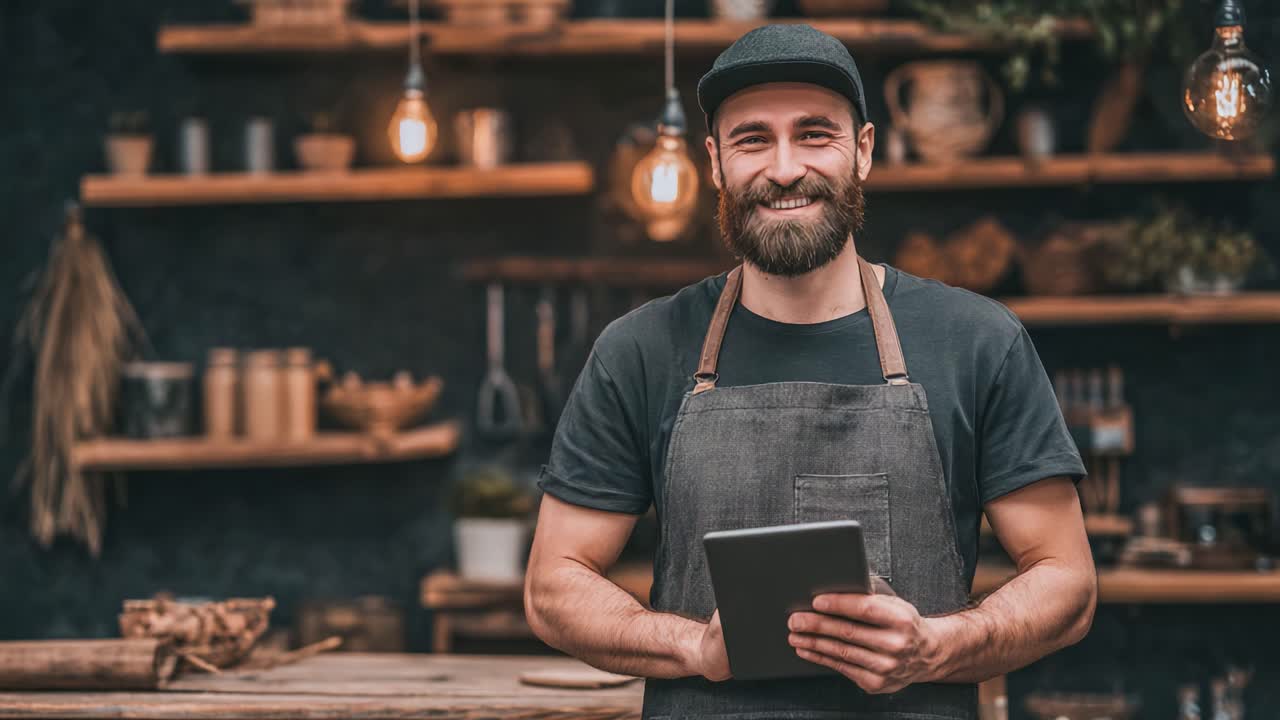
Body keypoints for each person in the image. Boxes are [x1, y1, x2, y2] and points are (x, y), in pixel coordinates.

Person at [523, 23, 1097, 720]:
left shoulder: (977, 341)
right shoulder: (640, 350)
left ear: (863, 152)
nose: (785, 168)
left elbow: (1068, 582)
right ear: (715, 162)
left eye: (815, 134)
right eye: (753, 139)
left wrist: (937, 646)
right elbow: (554, 586)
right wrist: (692, 647)